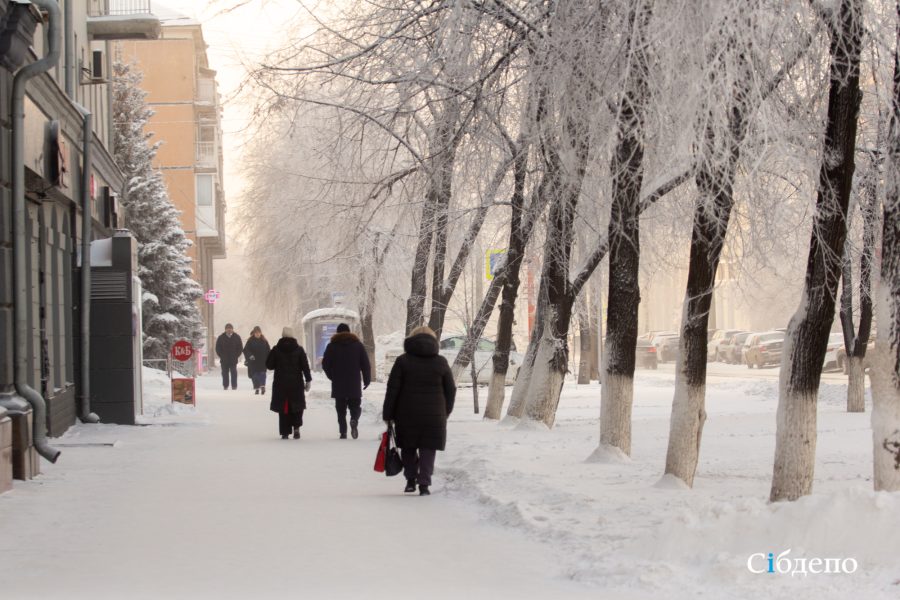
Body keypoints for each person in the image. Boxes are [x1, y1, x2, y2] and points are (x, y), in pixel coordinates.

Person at [382, 325, 456, 496]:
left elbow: (392, 389)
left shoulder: (403, 361)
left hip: (406, 413)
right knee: (428, 448)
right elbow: (450, 390)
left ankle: (410, 480)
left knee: (408, 446)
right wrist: (446, 411)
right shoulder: (441, 362)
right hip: (434, 414)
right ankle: (424, 484)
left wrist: (388, 414)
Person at [322, 323, 371, 439]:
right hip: (354, 382)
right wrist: (367, 379)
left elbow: (325, 364)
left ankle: (343, 432)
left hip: (338, 382)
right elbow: (365, 364)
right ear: (349, 332)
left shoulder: (332, 346)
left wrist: (331, 376)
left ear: (337, 333)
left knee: (340, 409)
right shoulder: (358, 345)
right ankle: (354, 419)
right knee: (355, 406)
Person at [266, 327, 312, 440]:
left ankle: (285, 432)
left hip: (281, 383)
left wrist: (272, 353)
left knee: (284, 407)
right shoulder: (299, 350)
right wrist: (308, 380)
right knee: (296, 406)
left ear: (282, 335)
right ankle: (296, 427)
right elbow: (305, 366)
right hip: (296, 383)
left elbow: (269, 365)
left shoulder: (276, 349)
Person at [243, 326, 271, 395]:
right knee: (255, 375)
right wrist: (250, 356)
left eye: (259, 332)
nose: (258, 334)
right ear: (254, 333)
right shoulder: (250, 341)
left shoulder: (264, 341)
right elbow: (246, 350)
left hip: (263, 361)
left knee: (262, 374)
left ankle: (262, 386)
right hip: (254, 361)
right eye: (256, 333)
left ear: (261, 333)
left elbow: (268, 350)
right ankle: (257, 388)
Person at [215, 323, 243, 390]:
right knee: (224, 373)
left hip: (233, 359)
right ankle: (225, 385)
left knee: (234, 372)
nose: (229, 330)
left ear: (232, 329)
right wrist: (221, 355)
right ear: (225, 330)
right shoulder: (221, 337)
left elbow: (240, 347)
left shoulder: (237, 337)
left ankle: (234, 386)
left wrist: (236, 355)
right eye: (227, 329)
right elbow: (217, 348)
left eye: (230, 328)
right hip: (224, 359)